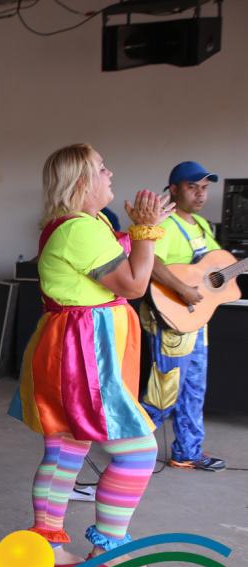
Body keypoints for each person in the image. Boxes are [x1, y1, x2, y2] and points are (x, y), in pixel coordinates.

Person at [9, 143, 174, 567]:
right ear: (81, 181)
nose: (110, 173)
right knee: (138, 452)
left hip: (74, 348)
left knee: (66, 448)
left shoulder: (89, 222)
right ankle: (108, 549)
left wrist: (143, 232)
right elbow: (134, 284)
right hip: (83, 353)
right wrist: (145, 232)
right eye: (102, 168)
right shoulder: (78, 229)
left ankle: (48, 547)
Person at [139, 161, 226, 471]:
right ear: (174, 189)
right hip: (170, 321)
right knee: (163, 394)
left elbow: (215, 266)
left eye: (204, 188)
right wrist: (182, 289)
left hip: (197, 321)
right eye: (193, 187)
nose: (201, 194)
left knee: (194, 389)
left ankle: (188, 451)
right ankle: (128, 445)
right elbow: (150, 261)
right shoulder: (165, 222)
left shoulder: (201, 225)